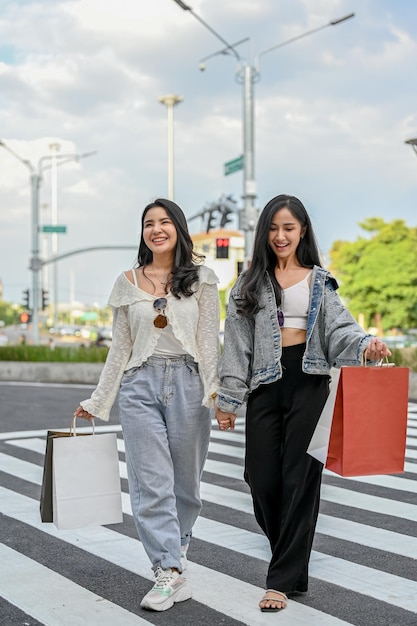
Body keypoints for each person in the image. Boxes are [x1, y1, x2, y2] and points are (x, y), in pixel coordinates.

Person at [215, 194, 391, 613]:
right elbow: (236, 346)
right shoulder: (247, 284)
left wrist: (366, 345)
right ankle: (293, 567)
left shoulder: (319, 281)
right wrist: (228, 399)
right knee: (260, 479)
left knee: (300, 480)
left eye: (288, 228)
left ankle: (278, 581)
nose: (280, 236)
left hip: (309, 381)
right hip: (264, 383)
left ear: (302, 231)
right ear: (264, 233)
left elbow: (342, 330)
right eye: (273, 228)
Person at [74, 198, 220, 612]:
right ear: (143, 233)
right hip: (140, 387)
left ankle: (178, 546)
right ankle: (167, 570)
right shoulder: (126, 282)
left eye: (164, 222)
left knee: (185, 486)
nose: (156, 229)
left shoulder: (203, 280)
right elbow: (120, 348)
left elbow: (209, 343)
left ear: (178, 228)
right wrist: (98, 400)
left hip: (190, 384)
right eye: (148, 224)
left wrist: (218, 396)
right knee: (150, 483)